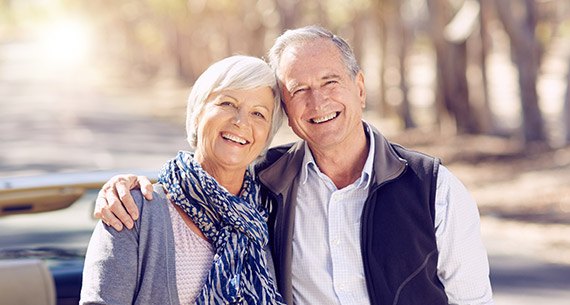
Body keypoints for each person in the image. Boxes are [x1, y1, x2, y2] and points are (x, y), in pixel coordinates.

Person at [94, 26, 495, 305]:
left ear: (359, 88)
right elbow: (203, 178)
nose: (317, 103)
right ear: (287, 110)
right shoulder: (267, 184)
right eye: (298, 90)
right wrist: (123, 187)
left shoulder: (433, 188)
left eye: (330, 82)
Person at [80, 55, 286, 305]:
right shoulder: (131, 210)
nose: (241, 121)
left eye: (258, 113)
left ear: (267, 136)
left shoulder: (268, 216)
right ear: (198, 113)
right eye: (228, 104)